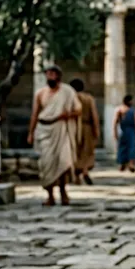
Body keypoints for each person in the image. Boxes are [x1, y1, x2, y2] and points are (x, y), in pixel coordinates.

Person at [27, 64, 81, 206]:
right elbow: (35, 114)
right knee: (46, 164)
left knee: (64, 161)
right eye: (48, 74)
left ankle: (63, 192)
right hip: (45, 129)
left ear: (58, 76)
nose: (49, 76)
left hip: (61, 128)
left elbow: (78, 109)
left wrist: (67, 114)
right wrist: (31, 133)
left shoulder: (67, 91)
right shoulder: (40, 93)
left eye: (52, 74)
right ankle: (50, 195)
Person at [70, 78, 100, 185]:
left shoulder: (71, 98)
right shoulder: (89, 98)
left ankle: (76, 175)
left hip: (73, 126)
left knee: (75, 150)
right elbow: (94, 115)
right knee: (86, 150)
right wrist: (96, 130)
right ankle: (85, 170)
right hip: (87, 126)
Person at [114, 94, 135, 172]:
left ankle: (123, 164)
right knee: (131, 147)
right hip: (129, 131)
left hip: (123, 131)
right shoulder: (132, 110)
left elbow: (115, 123)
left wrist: (115, 132)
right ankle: (130, 164)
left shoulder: (120, 109)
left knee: (123, 147)